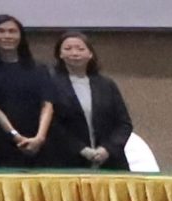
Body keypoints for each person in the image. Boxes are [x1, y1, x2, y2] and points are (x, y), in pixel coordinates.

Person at [46, 32, 132, 171]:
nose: (74, 53)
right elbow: (52, 125)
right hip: (67, 161)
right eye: (68, 49)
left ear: (90, 54)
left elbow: (124, 124)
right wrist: (81, 149)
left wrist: (107, 149)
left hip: (110, 162)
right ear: (59, 54)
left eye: (80, 49)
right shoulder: (51, 84)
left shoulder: (106, 84)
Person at [0, 14, 55, 170]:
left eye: (12, 31)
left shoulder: (39, 68)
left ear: (21, 36)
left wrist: (39, 138)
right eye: (1, 31)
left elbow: (47, 104)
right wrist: (16, 136)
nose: (7, 36)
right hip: (2, 143)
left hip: (39, 143)